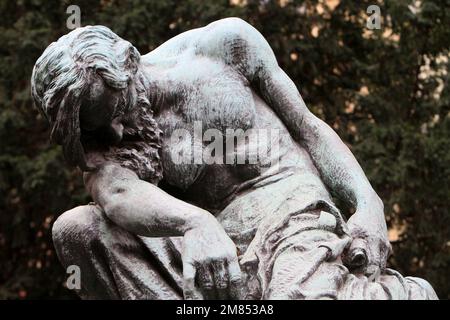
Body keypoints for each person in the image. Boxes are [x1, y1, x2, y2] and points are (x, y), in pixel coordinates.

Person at [31, 18, 437, 299]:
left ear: (130, 63)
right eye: (102, 127)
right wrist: (195, 222)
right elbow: (116, 193)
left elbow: (308, 127)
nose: (116, 131)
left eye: (116, 111)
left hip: (290, 210)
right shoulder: (104, 135)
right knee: (77, 229)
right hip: (212, 242)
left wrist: (369, 205)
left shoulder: (222, 47)